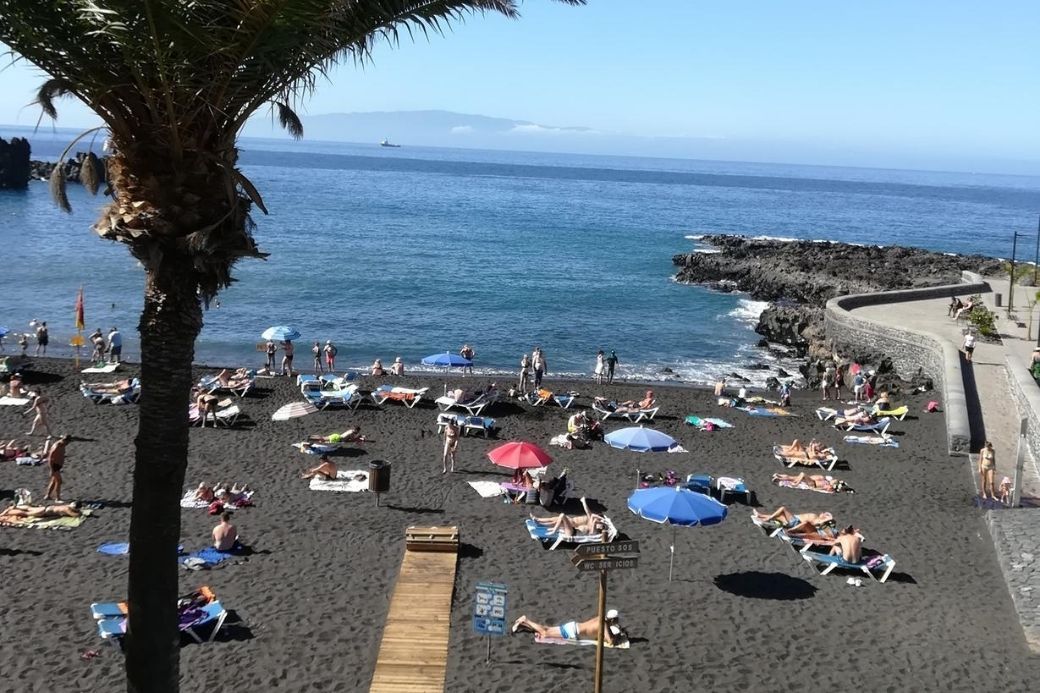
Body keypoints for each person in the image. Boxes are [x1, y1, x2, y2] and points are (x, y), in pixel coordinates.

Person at [512, 609, 625, 646]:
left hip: (573, 626)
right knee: (545, 633)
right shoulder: (604, 625)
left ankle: (523, 626)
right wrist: (618, 637)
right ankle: (525, 620)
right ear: (612, 620)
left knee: (546, 629)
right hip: (572, 632)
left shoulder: (601, 618)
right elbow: (610, 641)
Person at [528, 497, 606, 538]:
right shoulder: (591, 523)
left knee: (559, 518)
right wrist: (583, 502)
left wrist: (602, 522)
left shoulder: (593, 531)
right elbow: (591, 515)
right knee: (555, 519)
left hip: (573, 529)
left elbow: (593, 518)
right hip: (573, 527)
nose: (598, 524)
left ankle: (547, 527)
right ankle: (538, 520)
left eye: (600, 525)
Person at [753, 506, 834, 535]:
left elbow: (810, 525)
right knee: (780, 515)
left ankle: (766, 518)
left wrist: (827, 518)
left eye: (825, 514)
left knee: (782, 509)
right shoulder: (817, 517)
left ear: (824, 517)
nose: (822, 513)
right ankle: (761, 516)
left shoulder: (818, 520)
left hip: (796, 523)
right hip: (795, 520)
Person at [772, 472, 854, 494]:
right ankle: (780, 477)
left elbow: (820, 489)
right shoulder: (829, 481)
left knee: (802, 474)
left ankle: (795, 483)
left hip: (812, 484)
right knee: (792, 477)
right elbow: (834, 481)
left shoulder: (829, 487)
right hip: (812, 480)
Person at [43, 435, 69, 501]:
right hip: (54, 466)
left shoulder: (62, 445)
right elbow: (50, 458)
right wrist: (51, 470)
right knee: (59, 481)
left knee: (54, 481)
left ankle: (47, 495)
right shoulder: (56, 446)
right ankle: (57, 498)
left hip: (58, 465)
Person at [0, 501, 81, 520]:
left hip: (45, 508)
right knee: (26, 513)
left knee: (28, 508)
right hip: (44, 512)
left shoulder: (67, 506)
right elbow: (75, 515)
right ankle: (8, 512)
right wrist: (79, 513)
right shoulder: (67, 509)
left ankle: (14, 507)